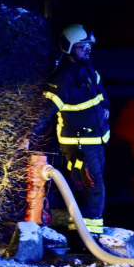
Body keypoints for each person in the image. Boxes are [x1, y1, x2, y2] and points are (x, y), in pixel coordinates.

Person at [33, 24, 110, 236]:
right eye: (81, 46)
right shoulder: (63, 78)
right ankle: (89, 241)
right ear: (68, 47)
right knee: (93, 190)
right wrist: (29, 137)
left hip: (96, 142)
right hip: (79, 145)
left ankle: (86, 238)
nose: (87, 49)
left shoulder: (88, 69)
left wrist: (105, 109)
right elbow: (46, 112)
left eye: (88, 45)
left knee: (91, 190)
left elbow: (101, 94)